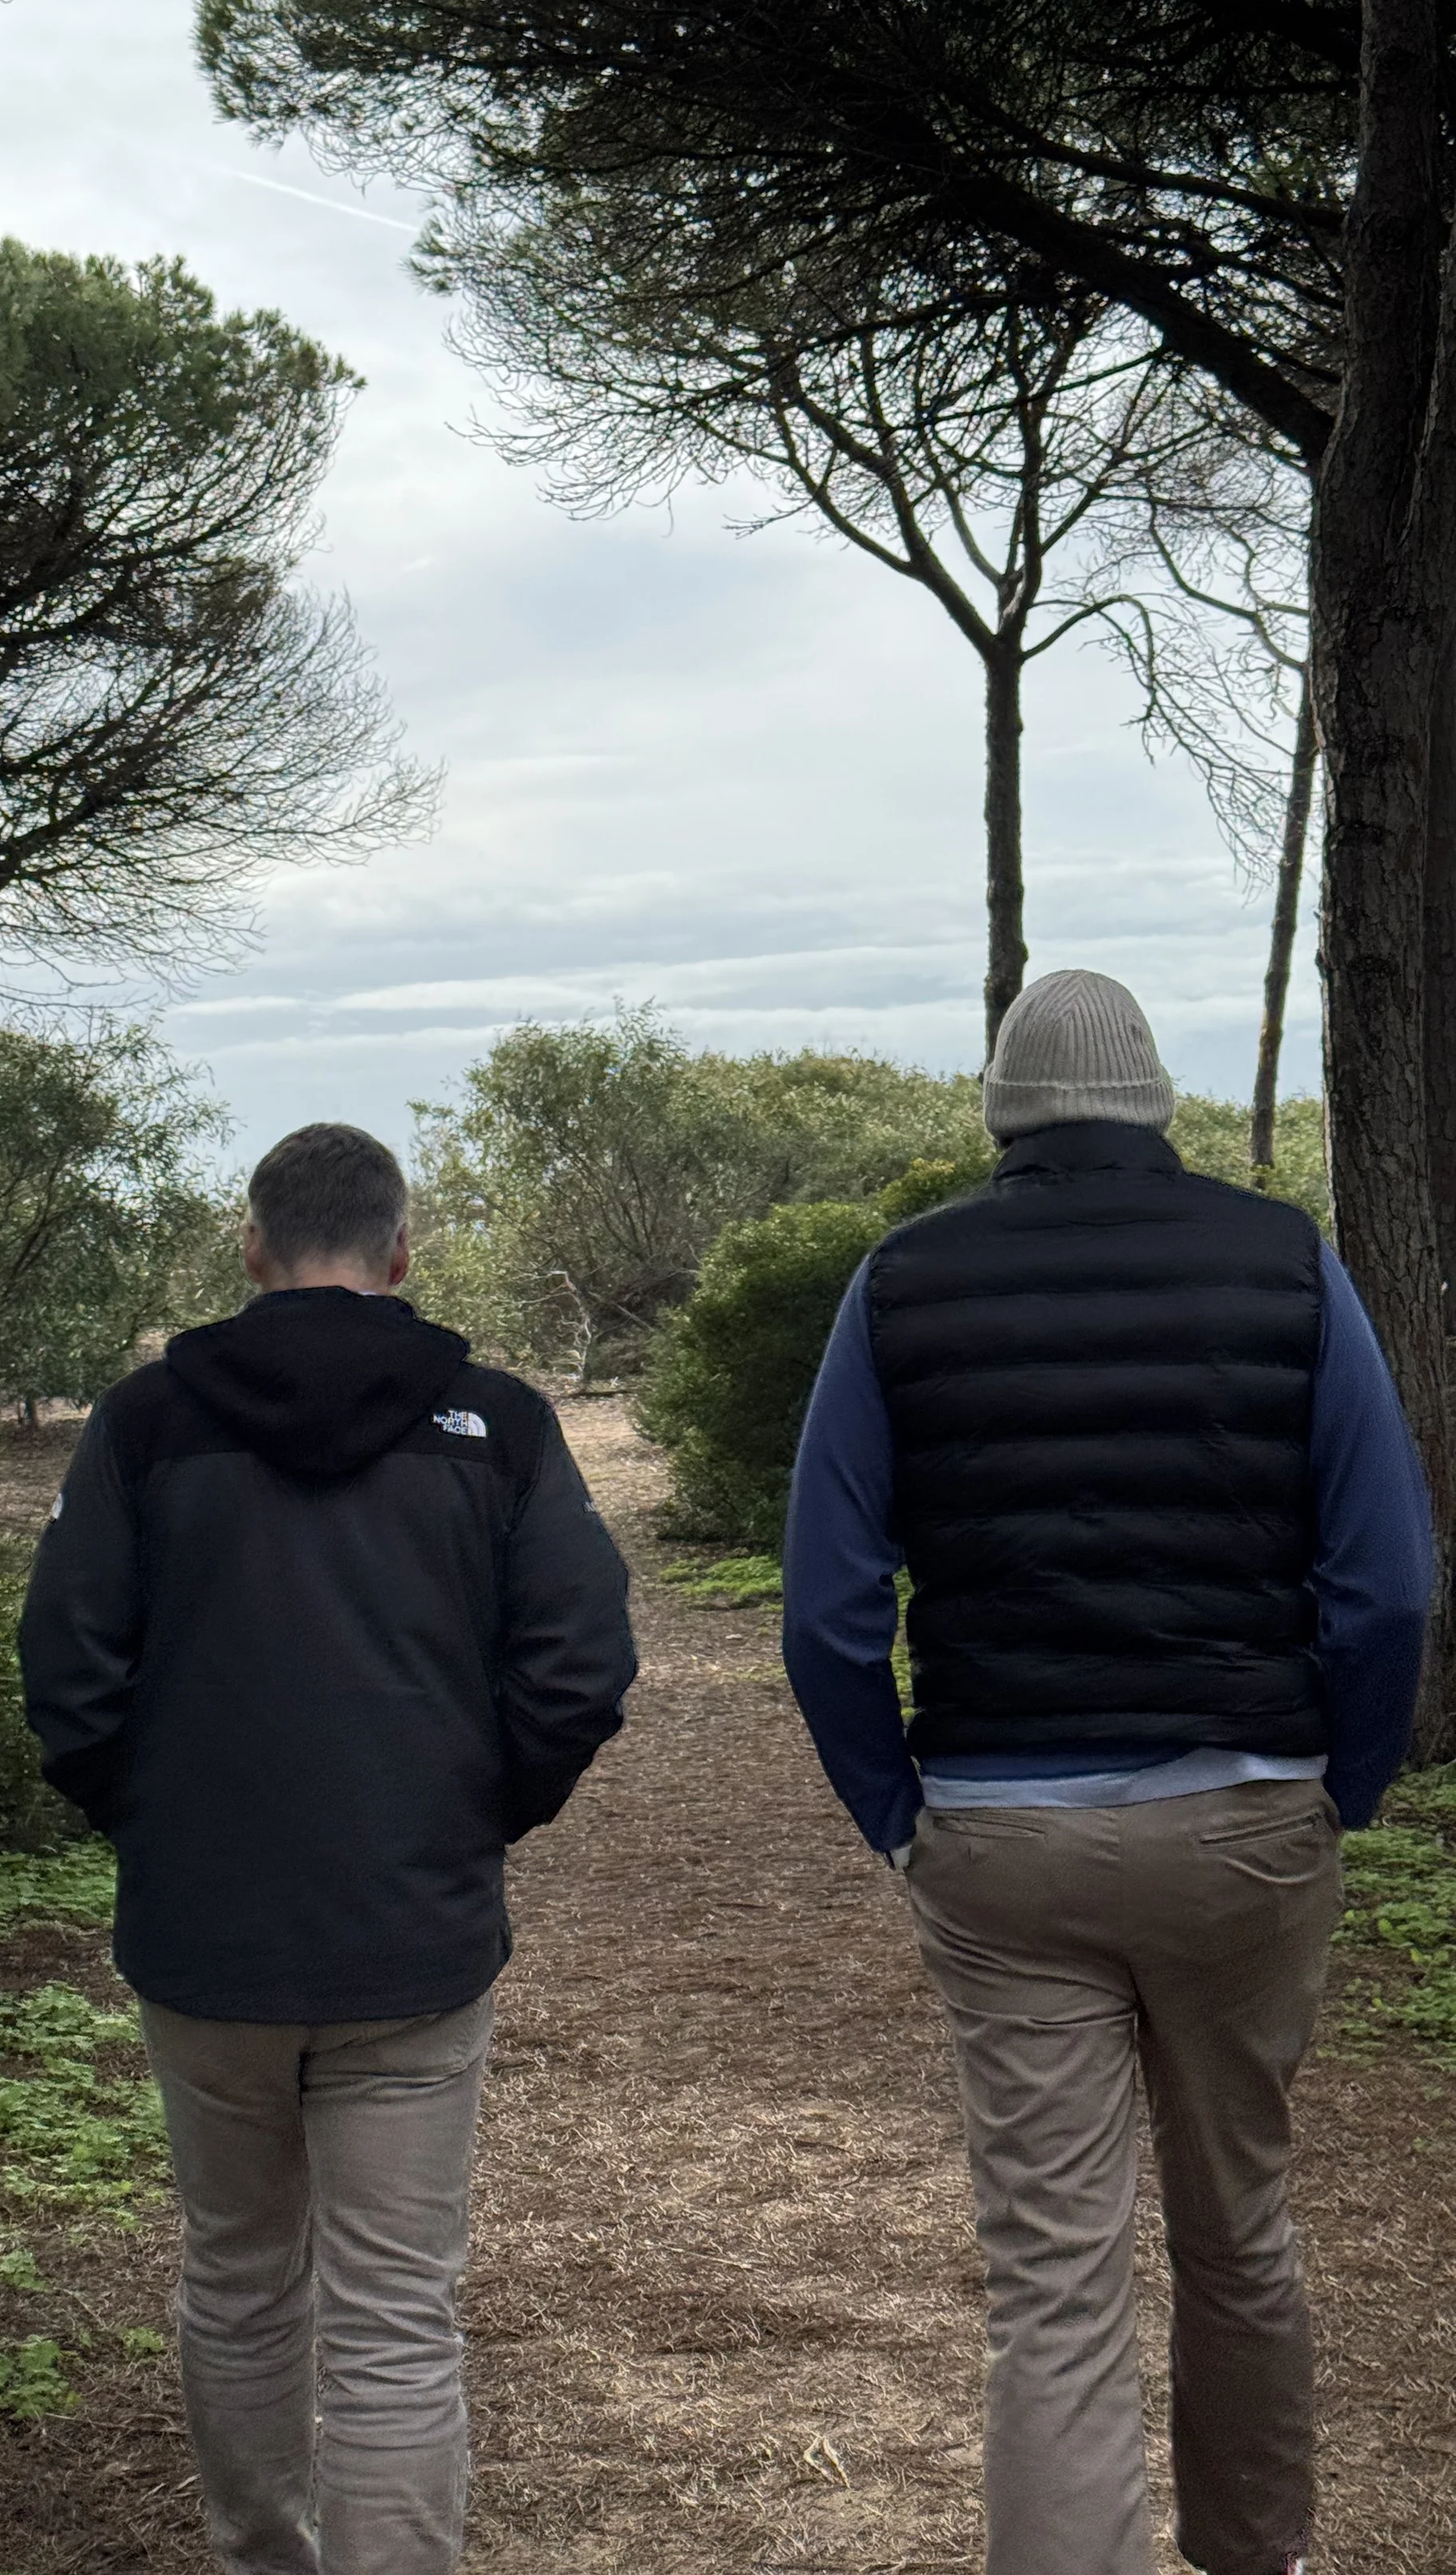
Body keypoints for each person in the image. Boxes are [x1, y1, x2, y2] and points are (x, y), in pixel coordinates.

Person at [781, 970, 1434, 2575]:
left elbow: (823, 1604)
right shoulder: (1286, 1264)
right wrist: (1331, 1785)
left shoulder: (900, 1282)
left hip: (1002, 1839)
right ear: (1153, 1103)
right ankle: (1253, 2553)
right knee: (1238, 2232)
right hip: (1242, 1824)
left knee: (1053, 2278)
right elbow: (1386, 1582)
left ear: (1000, 1115)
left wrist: (897, 1811)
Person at [19, 1119, 636, 2575]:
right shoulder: (497, 1424)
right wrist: (475, 1812)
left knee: (238, 2276)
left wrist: (155, 1820)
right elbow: (581, 1663)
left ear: (253, 1247)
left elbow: (68, 1665)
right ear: (400, 1250)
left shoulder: (148, 1422)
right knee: (396, 2306)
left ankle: (263, 2557)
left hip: (204, 1937)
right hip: (409, 1940)